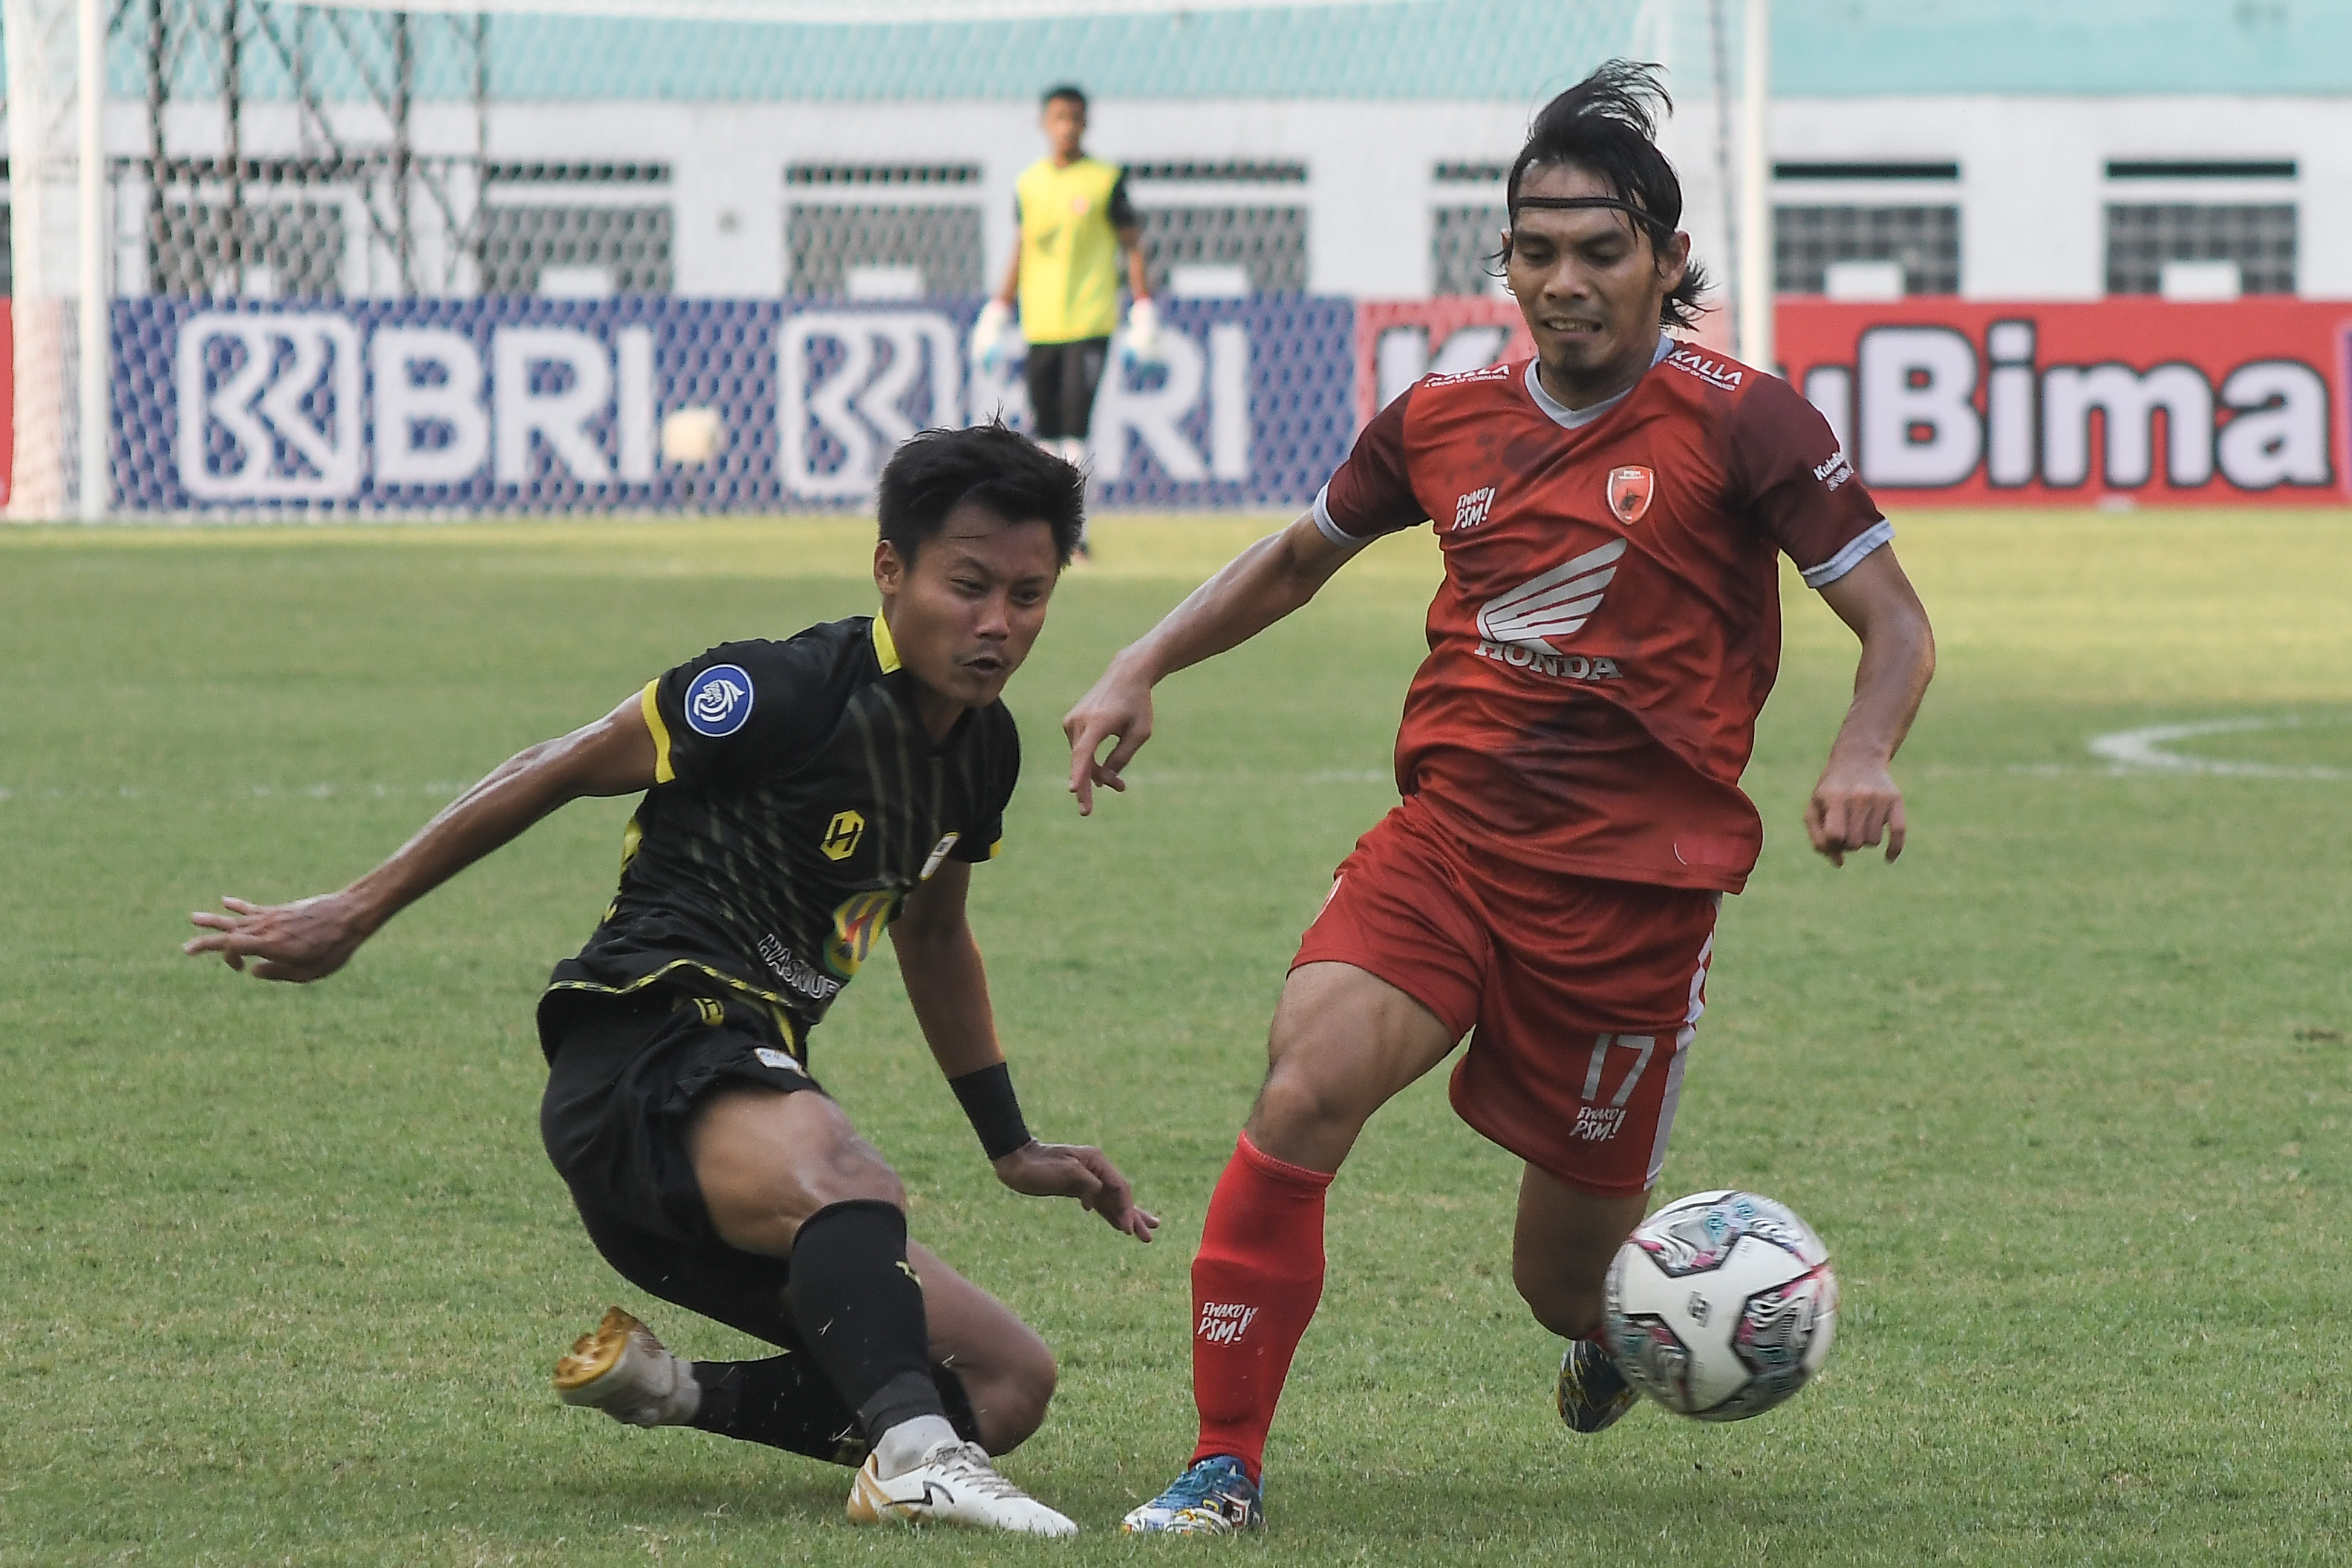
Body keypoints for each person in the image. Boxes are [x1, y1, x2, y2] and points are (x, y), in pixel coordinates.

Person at [1061, 62, 1935, 1535]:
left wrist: (1859, 751)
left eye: (1598, 252)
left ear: (1663, 260)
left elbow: (1894, 625)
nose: (1562, 282)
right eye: (1533, 253)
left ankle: (1610, 1333)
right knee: (1303, 1085)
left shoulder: (1746, 425)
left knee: (1558, 1282)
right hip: (1447, 850)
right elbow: (1292, 557)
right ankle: (1225, 1463)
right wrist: (1141, 660)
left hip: (1628, 903)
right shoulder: (1440, 417)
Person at [184, 423, 1157, 1538]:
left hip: (725, 1141)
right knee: (850, 1175)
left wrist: (1009, 1143)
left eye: (1028, 597)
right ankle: (912, 1462)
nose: (996, 626)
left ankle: (676, 1391)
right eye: (967, 585)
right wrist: (356, 908)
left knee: (1004, 1384)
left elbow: (935, 938)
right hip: (643, 1050)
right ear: (890, 569)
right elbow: (551, 765)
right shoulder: (781, 688)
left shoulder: (982, 751)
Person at [971, 82, 1159, 538]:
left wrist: (1143, 308)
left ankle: (1076, 533)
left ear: (1086, 123)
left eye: (1075, 119)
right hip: (1042, 323)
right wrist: (998, 310)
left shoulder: (1104, 181)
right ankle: (1048, 525)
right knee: (1046, 431)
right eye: (1059, 119)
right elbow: (1022, 247)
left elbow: (1132, 245)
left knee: (1076, 429)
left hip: (1090, 320)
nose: (1067, 128)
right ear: (1044, 124)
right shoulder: (1029, 184)